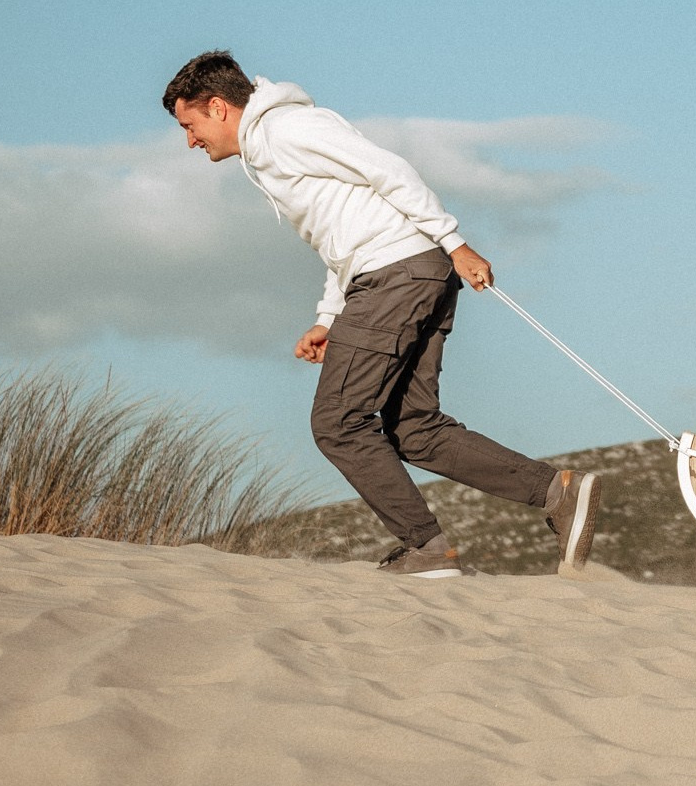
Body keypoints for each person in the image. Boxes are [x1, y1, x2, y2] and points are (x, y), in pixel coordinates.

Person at [163, 50, 601, 578]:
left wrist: (454, 242)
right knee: (413, 429)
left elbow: (387, 169)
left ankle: (427, 549)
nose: (191, 141)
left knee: (338, 423)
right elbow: (340, 238)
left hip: (397, 273)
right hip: (405, 272)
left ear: (217, 107)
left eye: (189, 126)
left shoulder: (286, 129)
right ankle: (558, 493)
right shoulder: (269, 145)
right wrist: (329, 317)